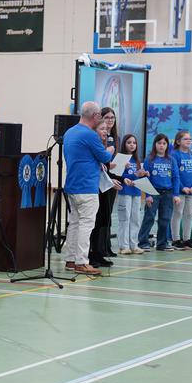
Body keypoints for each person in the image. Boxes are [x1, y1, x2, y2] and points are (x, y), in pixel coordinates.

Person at [62, 101, 115, 276]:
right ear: (95, 116)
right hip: (87, 186)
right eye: (100, 115)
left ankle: (70, 259)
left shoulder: (69, 132)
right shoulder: (90, 135)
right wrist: (110, 149)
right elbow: (104, 156)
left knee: (75, 223)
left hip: (72, 185)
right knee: (86, 224)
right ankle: (82, 262)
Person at [137, 133, 181, 252]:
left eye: (164, 143)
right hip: (153, 193)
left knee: (165, 219)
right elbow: (146, 179)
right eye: (159, 143)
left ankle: (162, 243)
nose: (161, 146)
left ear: (167, 145)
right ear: (155, 144)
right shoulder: (149, 159)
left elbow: (176, 178)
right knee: (149, 217)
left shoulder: (171, 160)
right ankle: (143, 242)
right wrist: (148, 195)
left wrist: (176, 194)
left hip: (167, 193)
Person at [88, 120, 122, 267]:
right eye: (101, 129)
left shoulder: (104, 147)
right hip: (94, 189)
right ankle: (90, 254)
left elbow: (103, 171)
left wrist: (111, 181)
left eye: (106, 130)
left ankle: (98, 252)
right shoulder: (95, 148)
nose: (105, 131)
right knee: (93, 223)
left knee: (102, 221)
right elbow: (96, 169)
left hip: (104, 189)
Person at [116, 133, 148, 255]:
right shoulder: (121, 159)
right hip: (125, 192)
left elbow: (137, 176)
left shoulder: (137, 160)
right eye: (129, 142)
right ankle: (123, 246)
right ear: (124, 144)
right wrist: (131, 175)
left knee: (136, 219)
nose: (132, 145)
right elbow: (118, 175)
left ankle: (134, 245)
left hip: (136, 192)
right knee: (125, 219)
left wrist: (144, 174)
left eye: (134, 143)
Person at [170, 130, 192, 250]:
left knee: (189, 214)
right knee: (177, 214)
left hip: (191, 191)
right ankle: (176, 239)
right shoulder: (174, 155)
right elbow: (175, 174)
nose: (189, 141)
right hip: (179, 191)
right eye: (185, 139)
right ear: (178, 141)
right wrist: (183, 187)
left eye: (190, 139)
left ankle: (187, 238)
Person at [100, 107, 120, 257]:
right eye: (107, 117)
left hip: (114, 177)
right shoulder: (99, 137)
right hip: (102, 179)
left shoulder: (115, 137)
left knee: (108, 214)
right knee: (102, 215)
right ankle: (100, 248)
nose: (110, 120)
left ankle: (107, 246)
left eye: (112, 117)